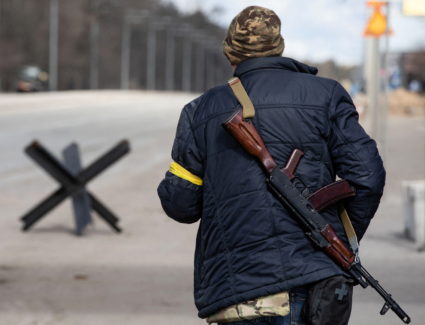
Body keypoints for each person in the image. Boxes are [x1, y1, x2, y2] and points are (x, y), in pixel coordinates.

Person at [157, 5, 385, 325]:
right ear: (278, 46)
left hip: (236, 290)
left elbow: (180, 204)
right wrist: (331, 238)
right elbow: (368, 177)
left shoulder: (201, 109)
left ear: (230, 52)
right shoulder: (326, 94)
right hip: (313, 282)